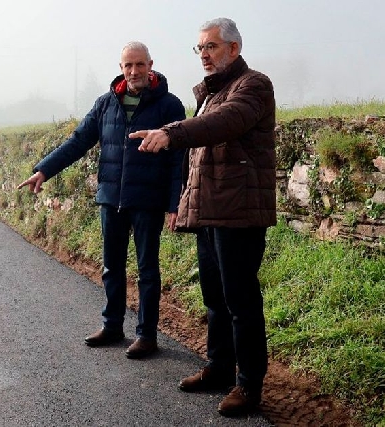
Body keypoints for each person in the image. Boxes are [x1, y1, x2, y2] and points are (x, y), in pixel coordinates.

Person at [129, 18, 276, 416]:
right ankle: (219, 367)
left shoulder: (253, 85)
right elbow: (200, 157)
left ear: (233, 48)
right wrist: (183, 203)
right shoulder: (211, 94)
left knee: (240, 300)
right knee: (214, 296)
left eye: (211, 47)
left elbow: (223, 124)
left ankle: (248, 386)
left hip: (240, 212)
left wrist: (172, 131)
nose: (204, 55)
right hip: (212, 210)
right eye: (200, 49)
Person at [17, 41, 186, 359]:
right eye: (127, 65)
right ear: (121, 67)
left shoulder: (170, 106)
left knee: (147, 270)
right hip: (111, 198)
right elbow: (78, 141)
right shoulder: (106, 103)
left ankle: (147, 335)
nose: (134, 71)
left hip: (148, 200)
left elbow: (179, 159)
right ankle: (112, 326)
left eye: (139, 64)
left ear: (151, 65)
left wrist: (174, 203)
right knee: (111, 267)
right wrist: (43, 170)